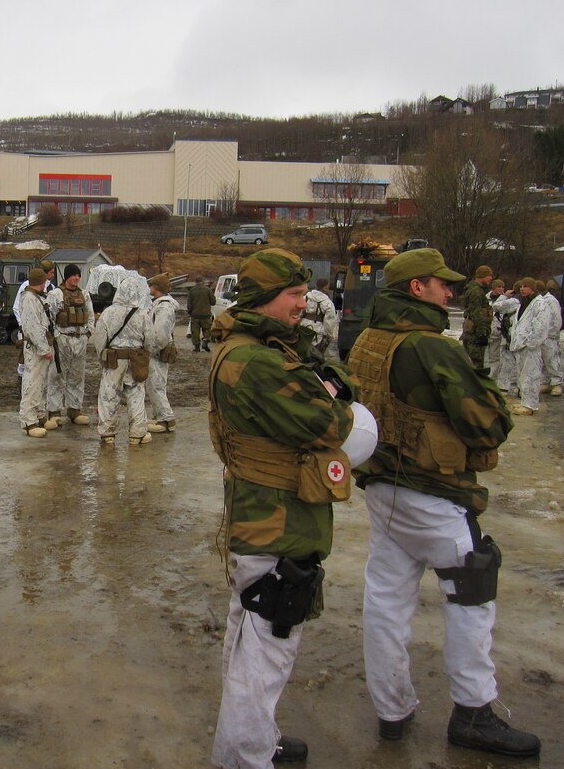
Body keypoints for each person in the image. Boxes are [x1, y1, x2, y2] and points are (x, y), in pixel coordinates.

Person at [347, 248, 540, 757]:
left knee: (386, 601)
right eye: (441, 284)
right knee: (472, 593)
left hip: (383, 489)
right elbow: (487, 421)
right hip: (434, 493)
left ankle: (392, 709)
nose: (449, 292)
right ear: (417, 289)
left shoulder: (367, 338)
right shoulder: (434, 348)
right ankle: (473, 712)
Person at [209, 248, 360, 769]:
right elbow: (334, 423)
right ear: (266, 299)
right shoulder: (257, 362)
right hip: (274, 521)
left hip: (265, 516)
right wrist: (330, 399)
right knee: (268, 649)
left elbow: (337, 392)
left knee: (249, 637)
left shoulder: (252, 348)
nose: (303, 304)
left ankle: (244, 744)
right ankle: (250, 758)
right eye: (293, 295)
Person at [92, 277, 151, 446]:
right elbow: (150, 340)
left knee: (109, 396)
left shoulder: (108, 313)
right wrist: (144, 354)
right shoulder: (142, 314)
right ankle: (137, 434)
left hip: (113, 360)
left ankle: (108, 434)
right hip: (135, 361)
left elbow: (99, 338)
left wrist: (102, 355)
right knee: (136, 395)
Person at [44, 262, 94, 428]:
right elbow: (48, 317)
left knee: (77, 377)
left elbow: (91, 316)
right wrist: (55, 337)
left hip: (80, 340)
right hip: (62, 339)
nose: (77, 278)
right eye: (73, 275)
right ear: (67, 276)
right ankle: (55, 411)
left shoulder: (84, 295)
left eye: (78, 275)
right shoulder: (56, 294)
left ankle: (75, 410)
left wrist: (87, 335)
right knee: (57, 375)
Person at [18, 267, 54, 438]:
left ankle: (39, 416)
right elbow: (33, 328)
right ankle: (28, 421)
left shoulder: (36, 298)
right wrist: (44, 349)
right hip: (35, 348)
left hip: (40, 345)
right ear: (42, 282)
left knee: (41, 383)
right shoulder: (30, 299)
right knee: (32, 383)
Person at [508, 277, 547, 416]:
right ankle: (525, 402)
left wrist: (530, 343)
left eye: (525, 286)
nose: (522, 289)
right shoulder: (523, 303)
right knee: (523, 376)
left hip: (530, 348)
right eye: (521, 286)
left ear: (533, 288)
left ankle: (530, 405)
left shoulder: (540, 304)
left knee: (531, 376)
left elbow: (541, 327)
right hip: (521, 346)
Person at [145, 273, 177, 434]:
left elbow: (161, 334)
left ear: (156, 288)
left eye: (151, 285)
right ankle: (159, 415)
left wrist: (151, 349)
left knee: (156, 385)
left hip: (157, 353)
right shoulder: (159, 305)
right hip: (157, 352)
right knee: (154, 385)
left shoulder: (164, 307)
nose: (149, 287)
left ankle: (166, 419)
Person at [13, 260, 56, 379]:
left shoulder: (51, 287)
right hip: (28, 331)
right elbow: (17, 307)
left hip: (44, 333)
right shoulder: (27, 287)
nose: (53, 275)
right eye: (51, 272)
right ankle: (21, 379)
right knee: (25, 361)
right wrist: (23, 325)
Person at [460, 264, 494, 369]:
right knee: (476, 365)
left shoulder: (473, 289)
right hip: (475, 335)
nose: (491, 278)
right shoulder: (476, 292)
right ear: (482, 276)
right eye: (489, 275)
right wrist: (482, 334)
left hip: (471, 332)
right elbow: (477, 314)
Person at [299, 277, 339, 360]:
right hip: (317, 331)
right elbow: (330, 321)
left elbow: (298, 312)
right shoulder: (327, 302)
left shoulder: (306, 297)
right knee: (315, 356)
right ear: (325, 287)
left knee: (301, 353)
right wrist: (329, 335)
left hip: (303, 328)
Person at [490, 281, 519, 395]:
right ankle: (516, 386)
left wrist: (504, 296)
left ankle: (503, 387)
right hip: (512, 334)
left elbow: (495, 307)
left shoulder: (513, 301)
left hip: (509, 335)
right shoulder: (524, 302)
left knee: (507, 360)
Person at [537, 279, 563, 397]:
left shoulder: (551, 301)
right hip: (540, 336)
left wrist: (551, 333)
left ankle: (557, 383)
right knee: (542, 361)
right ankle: (546, 382)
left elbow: (557, 320)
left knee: (552, 360)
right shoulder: (538, 301)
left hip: (549, 337)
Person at [187, 275, 216, 352]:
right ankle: (205, 341)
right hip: (206, 314)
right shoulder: (208, 290)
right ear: (203, 281)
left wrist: (190, 312)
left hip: (195, 314)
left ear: (195, 282)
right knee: (207, 329)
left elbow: (189, 304)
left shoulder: (192, 291)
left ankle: (197, 347)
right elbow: (213, 302)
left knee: (195, 331)